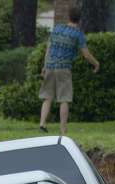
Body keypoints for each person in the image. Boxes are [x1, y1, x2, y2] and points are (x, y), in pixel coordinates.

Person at [39, 6, 99, 136]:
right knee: (64, 99)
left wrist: (44, 66)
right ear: (80, 19)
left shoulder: (57, 28)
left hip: (50, 66)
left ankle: (42, 123)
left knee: (47, 96)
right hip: (64, 68)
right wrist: (96, 64)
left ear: (69, 16)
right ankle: (63, 129)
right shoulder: (78, 34)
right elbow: (86, 54)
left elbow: (49, 48)